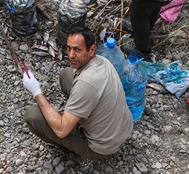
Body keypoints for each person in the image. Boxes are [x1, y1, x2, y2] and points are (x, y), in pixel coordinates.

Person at [22, 26, 133, 159]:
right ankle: (78, 116)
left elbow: (62, 130)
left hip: (101, 147)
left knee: (33, 115)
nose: (71, 55)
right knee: (67, 75)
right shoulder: (103, 61)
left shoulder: (86, 84)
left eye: (77, 50)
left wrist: (36, 92)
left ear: (91, 50)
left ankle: (72, 148)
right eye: (69, 48)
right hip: (122, 129)